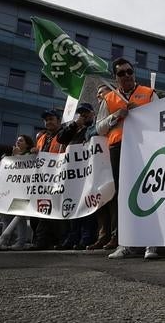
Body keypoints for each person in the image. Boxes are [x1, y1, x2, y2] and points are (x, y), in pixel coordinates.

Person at [96, 57, 159, 260]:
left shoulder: (149, 93)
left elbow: (161, 118)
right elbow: (99, 128)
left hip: (144, 147)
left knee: (149, 191)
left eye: (129, 71)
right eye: (121, 73)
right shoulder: (109, 99)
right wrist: (117, 116)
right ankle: (127, 243)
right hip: (119, 148)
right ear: (115, 78)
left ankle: (151, 243)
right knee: (123, 196)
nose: (126, 76)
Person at [54, 103, 97, 250]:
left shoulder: (95, 126)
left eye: (86, 114)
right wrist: (74, 124)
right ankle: (72, 236)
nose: (84, 116)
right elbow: (60, 139)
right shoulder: (75, 128)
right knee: (72, 204)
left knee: (86, 204)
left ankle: (85, 237)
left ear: (93, 114)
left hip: (87, 172)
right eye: (81, 114)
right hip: (73, 174)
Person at [29, 109, 65, 250]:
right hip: (42, 178)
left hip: (57, 177)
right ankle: (40, 240)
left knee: (48, 210)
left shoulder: (63, 135)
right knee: (37, 210)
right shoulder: (42, 138)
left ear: (58, 120)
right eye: (46, 120)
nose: (48, 122)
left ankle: (42, 241)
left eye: (51, 119)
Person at [86, 84, 113, 250]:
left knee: (113, 199)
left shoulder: (118, 107)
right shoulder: (99, 117)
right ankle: (103, 236)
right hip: (100, 164)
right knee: (101, 200)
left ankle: (115, 236)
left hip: (115, 156)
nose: (99, 96)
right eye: (97, 95)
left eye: (101, 93)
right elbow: (90, 133)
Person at [0, 134, 35, 250]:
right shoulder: (10, 156)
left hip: (22, 191)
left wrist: (16, 156)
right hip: (10, 190)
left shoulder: (31, 156)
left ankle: (20, 243)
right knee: (5, 217)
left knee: (19, 217)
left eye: (21, 141)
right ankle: (3, 242)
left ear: (27, 144)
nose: (18, 142)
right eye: (17, 140)